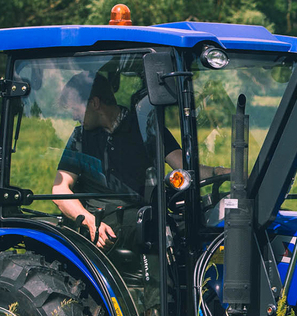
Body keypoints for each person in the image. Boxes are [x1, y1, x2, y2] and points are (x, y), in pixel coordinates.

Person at [52, 72, 228, 249]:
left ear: (95, 103)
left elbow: (185, 167)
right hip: (102, 224)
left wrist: (220, 172)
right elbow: (59, 190)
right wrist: (89, 221)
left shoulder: (146, 127)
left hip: (144, 220)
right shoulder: (80, 137)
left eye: (75, 109)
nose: (74, 116)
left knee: (200, 228)